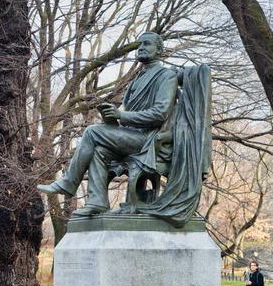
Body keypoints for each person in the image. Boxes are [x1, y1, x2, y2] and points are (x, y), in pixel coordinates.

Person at [37, 32, 178, 216]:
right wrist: (113, 117)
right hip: (131, 135)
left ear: (159, 50)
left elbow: (160, 113)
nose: (141, 47)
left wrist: (123, 115)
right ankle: (97, 202)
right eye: (139, 44)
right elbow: (129, 111)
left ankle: (69, 181)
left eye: (147, 44)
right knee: (98, 150)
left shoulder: (166, 76)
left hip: (149, 139)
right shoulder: (138, 78)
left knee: (92, 132)